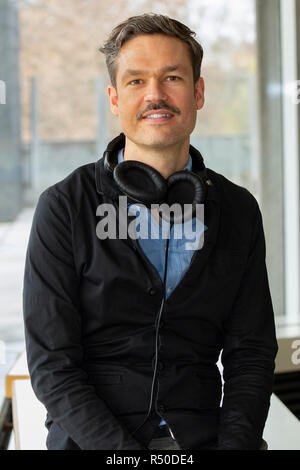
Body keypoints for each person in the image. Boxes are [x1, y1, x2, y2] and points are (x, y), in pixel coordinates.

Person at [23, 13, 278, 451]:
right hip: (94, 443)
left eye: (172, 77)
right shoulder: (65, 206)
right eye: (136, 81)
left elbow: (251, 354)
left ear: (198, 92)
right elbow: (52, 365)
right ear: (114, 99)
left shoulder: (237, 210)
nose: (155, 95)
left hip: (203, 439)